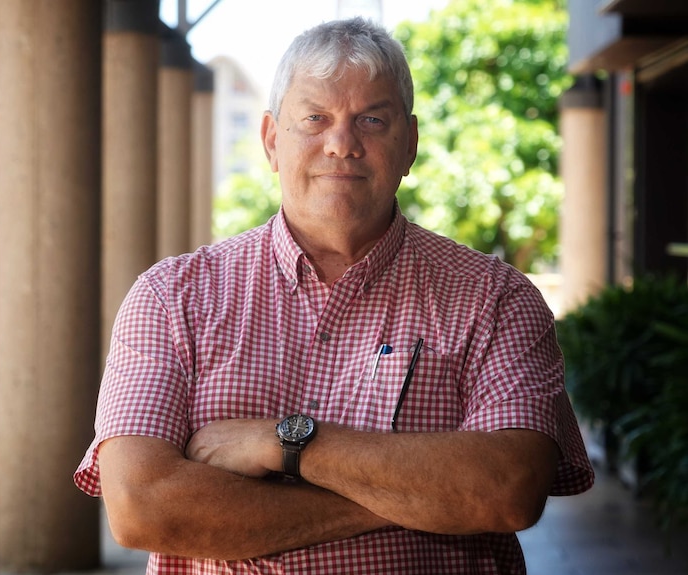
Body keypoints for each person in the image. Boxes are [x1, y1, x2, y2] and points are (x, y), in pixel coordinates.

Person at [75, 17, 594, 574]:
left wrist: (284, 443)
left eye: (371, 119)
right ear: (273, 141)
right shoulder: (170, 297)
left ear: (410, 143)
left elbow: (507, 490)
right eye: (315, 119)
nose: (342, 145)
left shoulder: (497, 298)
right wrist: (417, 498)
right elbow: (140, 508)